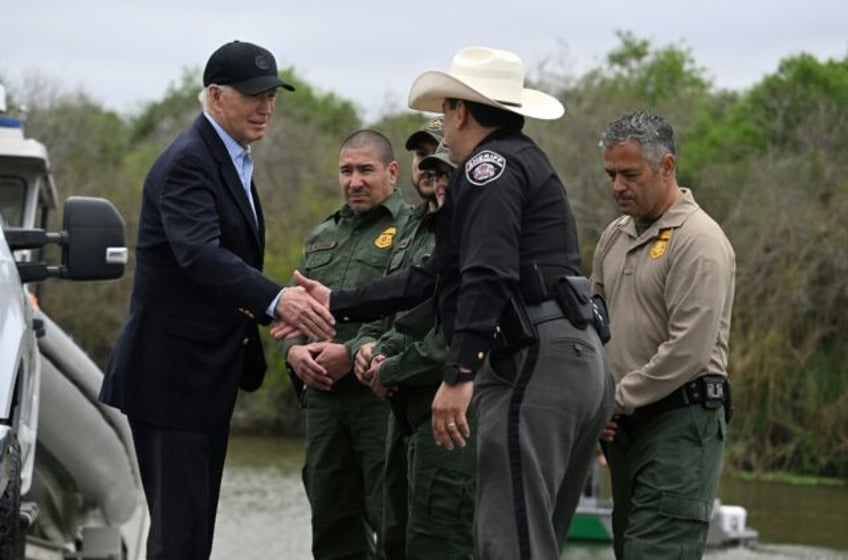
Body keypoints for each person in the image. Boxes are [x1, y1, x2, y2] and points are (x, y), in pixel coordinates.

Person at [280, 46, 615, 560]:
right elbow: (434, 277)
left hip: (535, 359)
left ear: (461, 110)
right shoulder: (518, 161)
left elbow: (487, 274)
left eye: (444, 111)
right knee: (533, 538)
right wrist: (340, 301)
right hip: (571, 355)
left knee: (510, 543)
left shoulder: (488, 167)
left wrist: (459, 376)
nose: (442, 122)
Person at [98, 40, 334, 560]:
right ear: (214, 95)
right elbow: (199, 255)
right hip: (170, 379)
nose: (265, 106)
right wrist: (278, 300)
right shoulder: (188, 162)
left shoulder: (232, 159)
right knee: (179, 541)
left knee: (192, 539)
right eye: (253, 95)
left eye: (271, 94)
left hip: (206, 378)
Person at [591, 111, 736, 559]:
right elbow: (593, 326)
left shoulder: (699, 240)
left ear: (667, 167)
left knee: (655, 552)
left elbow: (688, 351)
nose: (618, 186)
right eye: (611, 174)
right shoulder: (614, 236)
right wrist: (595, 397)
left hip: (680, 423)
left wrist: (614, 397)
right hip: (624, 425)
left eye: (630, 174)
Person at [280, 129, 412, 560]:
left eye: (365, 170)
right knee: (331, 520)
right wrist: (293, 352)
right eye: (346, 170)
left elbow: (418, 311)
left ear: (392, 173)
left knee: (392, 518)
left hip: (381, 400)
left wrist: (351, 351)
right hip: (323, 403)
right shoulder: (321, 235)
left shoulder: (412, 230)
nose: (354, 180)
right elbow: (296, 312)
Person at [357, 135, 477, 559]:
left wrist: (388, 368)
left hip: (453, 411)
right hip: (403, 407)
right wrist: (378, 348)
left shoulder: (481, 238)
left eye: (446, 170)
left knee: (439, 541)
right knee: (396, 538)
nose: (436, 179)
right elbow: (413, 310)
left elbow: (452, 338)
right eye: (429, 167)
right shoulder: (418, 229)